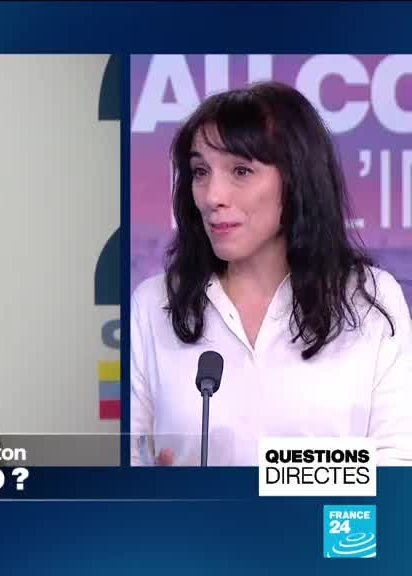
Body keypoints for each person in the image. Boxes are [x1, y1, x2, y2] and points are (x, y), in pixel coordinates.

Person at [131, 81, 412, 466]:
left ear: (297, 179)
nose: (212, 196)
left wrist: (271, 483)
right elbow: (125, 461)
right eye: (200, 171)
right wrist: (153, 489)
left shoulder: (370, 300)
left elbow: (396, 466)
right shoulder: (153, 304)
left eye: (241, 171)